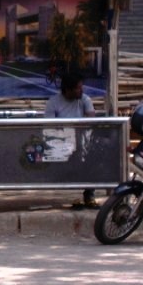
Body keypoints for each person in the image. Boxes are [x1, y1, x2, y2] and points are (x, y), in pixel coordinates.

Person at [44, 71, 98, 208]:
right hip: (60, 143)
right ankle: (72, 194)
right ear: (68, 89)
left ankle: (89, 194)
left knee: (93, 153)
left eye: (82, 87)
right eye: (78, 88)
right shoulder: (53, 102)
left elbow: (92, 120)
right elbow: (49, 128)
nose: (82, 90)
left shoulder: (84, 99)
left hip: (80, 141)